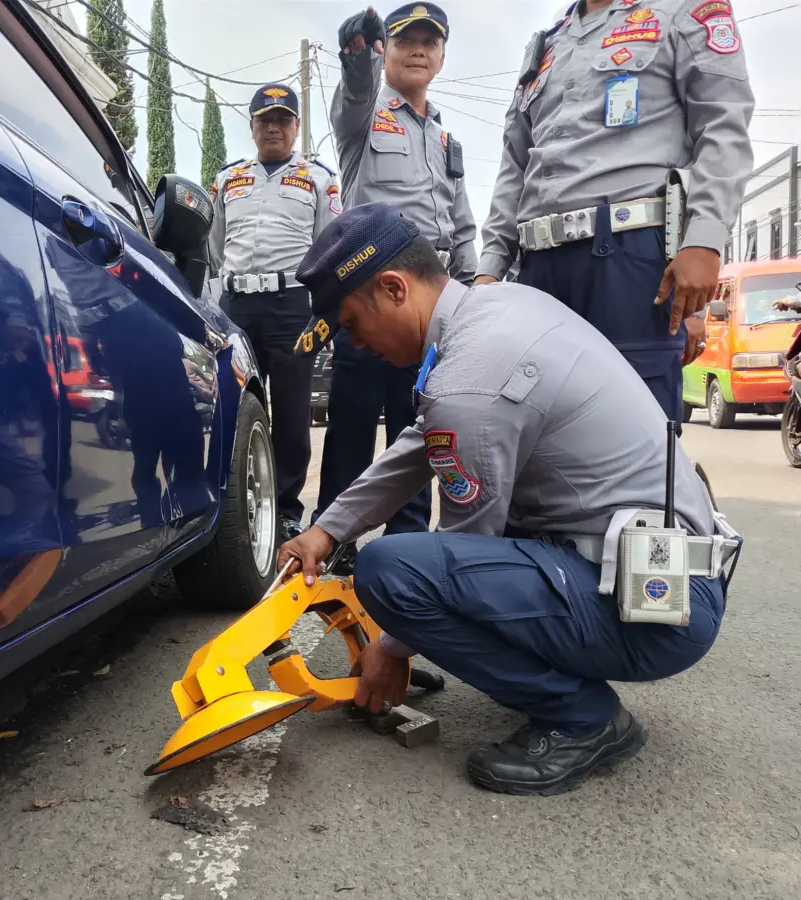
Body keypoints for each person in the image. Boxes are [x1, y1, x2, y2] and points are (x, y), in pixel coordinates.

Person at [280, 202, 740, 796]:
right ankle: (566, 676)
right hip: (661, 572)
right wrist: (328, 530)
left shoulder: (470, 376)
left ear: (393, 288)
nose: (358, 344)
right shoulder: (496, 312)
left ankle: (583, 719)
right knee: (419, 568)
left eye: (351, 323)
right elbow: (423, 442)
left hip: (656, 604)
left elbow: (468, 541)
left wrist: (393, 647)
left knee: (392, 573)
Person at [474, 0, 756, 425]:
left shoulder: (683, 10)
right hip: (535, 273)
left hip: (628, 260)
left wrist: (704, 237)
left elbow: (722, 127)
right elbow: (515, 164)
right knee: (533, 442)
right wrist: (490, 268)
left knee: (631, 441)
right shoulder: (549, 43)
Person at [309, 2, 477, 571]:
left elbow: (462, 224)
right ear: (387, 50)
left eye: (430, 41)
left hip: (429, 307)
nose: (418, 49)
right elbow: (355, 92)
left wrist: (474, 286)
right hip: (371, 298)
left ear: (443, 56)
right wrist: (356, 59)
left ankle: (404, 544)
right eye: (405, 39)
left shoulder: (447, 139)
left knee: (421, 425)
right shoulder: (363, 119)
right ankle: (334, 541)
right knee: (353, 422)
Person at [207, 83, 342, 538]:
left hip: (291, 306)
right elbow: (213, 245)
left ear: (296, 127)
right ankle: (232, 505)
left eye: (283, 119)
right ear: (252, 127)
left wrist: (326, 313)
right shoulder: (228, 179)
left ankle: (285, 509)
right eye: (265, 120)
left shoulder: (319, 179)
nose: (273, 128)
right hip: (236, 307)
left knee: (289, 411)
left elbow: (330, 249)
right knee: (233, 404)